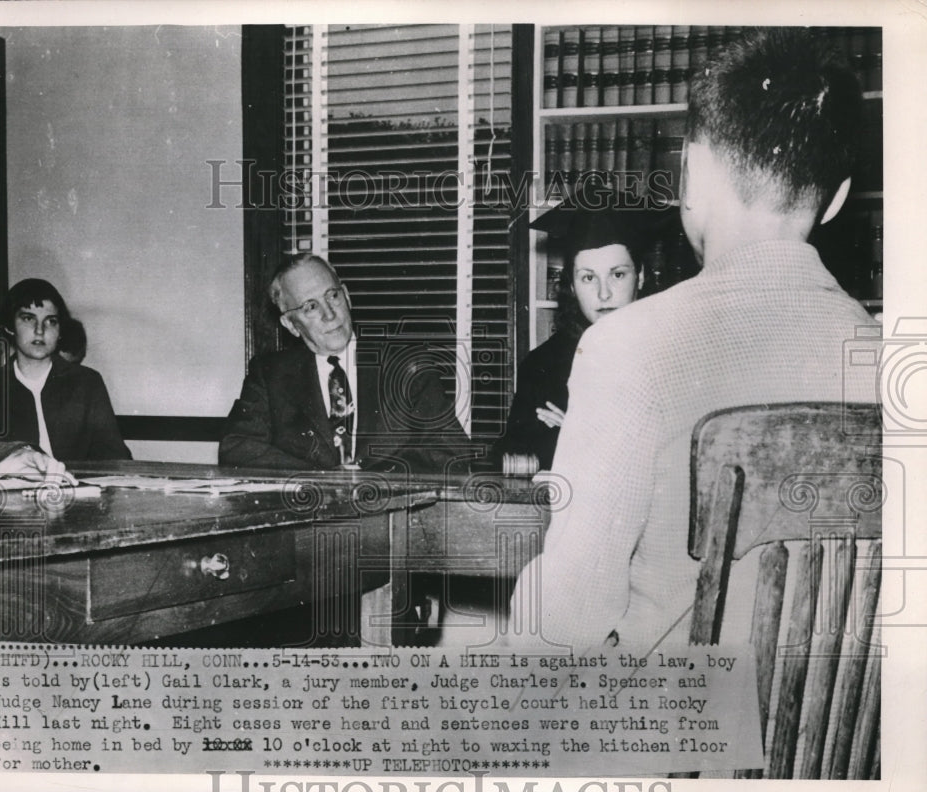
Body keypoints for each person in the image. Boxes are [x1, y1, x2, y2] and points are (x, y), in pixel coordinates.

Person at [509, 28, 878, 649]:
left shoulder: (627, 349)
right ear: (839, 198)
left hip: (673, 735)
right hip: (837, 742)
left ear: (692, 170)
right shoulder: (893, 363)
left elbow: (561, 629)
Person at [219, 254, 471, 474]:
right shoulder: (270, 373)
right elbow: (237, 447)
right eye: (311, 307)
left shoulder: (405, 365)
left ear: (347, 296)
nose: (329, 314)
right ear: (290, 324)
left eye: (333, 295)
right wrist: (323, 477)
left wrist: (367, 477)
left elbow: (450, 452)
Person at [494, 207, 663, 470]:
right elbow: (512, 457)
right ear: (572, 286)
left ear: (640, 277)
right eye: (588, 277)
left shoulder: (670, 352)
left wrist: (578, 435)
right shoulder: (543, 366)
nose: (603, 293)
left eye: (617, 274)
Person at [0, 278, 131, 462]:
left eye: (51, 321)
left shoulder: (87, 383)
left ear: (60, 331)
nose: (39, 331)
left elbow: (115, 457)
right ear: (10, 327)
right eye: (28, 318)